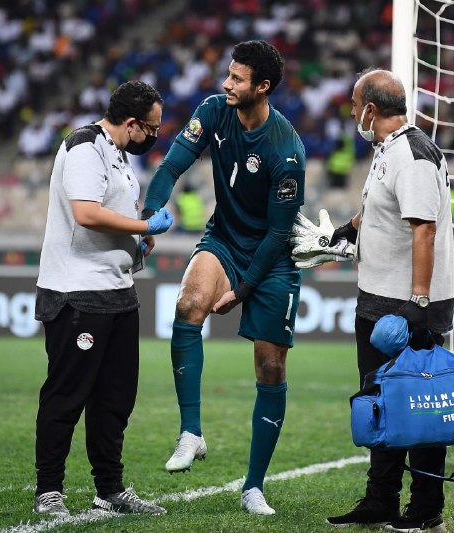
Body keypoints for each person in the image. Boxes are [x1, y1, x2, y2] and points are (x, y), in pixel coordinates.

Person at [142, 40, 306, 516]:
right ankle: (190, 432)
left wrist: (242, 292)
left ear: (263, 86)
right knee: (188, 304)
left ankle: (254, 486)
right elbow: (171, 165)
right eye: (227, 75)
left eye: (236, 79)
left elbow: (278, 234)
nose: (225, 84)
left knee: (270, 368)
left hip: (272, 260)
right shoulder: (214, 111)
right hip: (223, 241)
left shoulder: (286, 149)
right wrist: (148, 218)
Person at [32, 80, 174, 517]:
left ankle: (109, 490)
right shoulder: (84, 147)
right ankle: (49, 491)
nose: (153, 137)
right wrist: (145, 228)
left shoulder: (117, 156)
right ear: (131, 123)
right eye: (150, 129)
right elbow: (87, 213)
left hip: (117, 292)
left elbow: (111, 219)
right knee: (66, 395)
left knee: (115, 399)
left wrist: (135, 246)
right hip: (77, 292)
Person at [324, 69, 454, 532]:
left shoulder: (414, 154)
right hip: (379, 299)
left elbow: (425, 229)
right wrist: (347, 230)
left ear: (370, 110)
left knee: (419, 408)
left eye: (355, 104)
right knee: (380, 402)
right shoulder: (391, 149)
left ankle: (425, 511)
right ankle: (380, 502)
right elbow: (386, 209)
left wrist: (417, 302)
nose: (354, 113)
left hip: (405, 306)